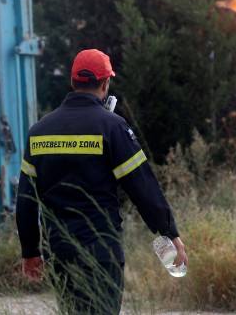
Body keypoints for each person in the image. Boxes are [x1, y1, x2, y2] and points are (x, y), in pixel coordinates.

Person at [16, 48, 188, 314]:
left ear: (73, 82)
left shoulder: (39, 132)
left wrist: (30, 251)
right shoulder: (112, 127)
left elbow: (26, 201)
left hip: (59, 251)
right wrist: (169, 232)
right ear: (105, 83)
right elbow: (142, 187)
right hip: (100, 251)